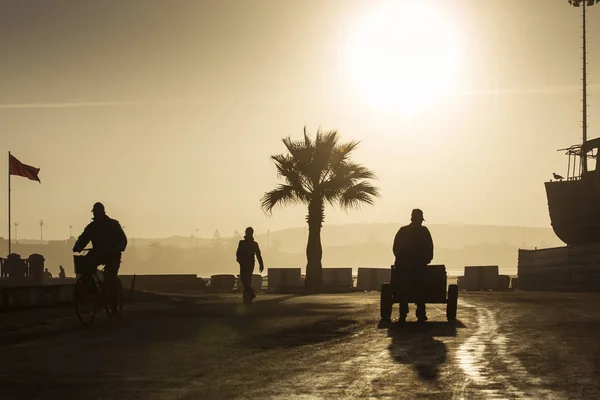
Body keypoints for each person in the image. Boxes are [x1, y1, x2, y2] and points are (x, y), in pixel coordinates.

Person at [73, 202, 127, 313]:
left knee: (110, 279)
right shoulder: (92, 227)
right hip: (99, 254)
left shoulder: (113, 224)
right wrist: (77, 247)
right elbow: (83, 238)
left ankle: (113, 307)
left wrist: (118, 249)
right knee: (85, 267)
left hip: (112, 255)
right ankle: (95, 293)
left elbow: (123, 240)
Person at [392, 208, 433, 322]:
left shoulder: (403, 231)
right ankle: (420, 313)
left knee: (403, 289)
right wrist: (426, 260)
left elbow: (396, 249)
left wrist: (401, 260)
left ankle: (403, 314)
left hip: (403, 267)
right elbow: (429, 249)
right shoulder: (424, 231)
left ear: (411, 218)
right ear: (420, 219)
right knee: (421, 289)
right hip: (418, 267)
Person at [235, 227, 264, 303]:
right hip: (244, 263)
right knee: (244, 279)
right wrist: (239, 260)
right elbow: (238, 253)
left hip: (250, 264)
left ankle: (248, 295)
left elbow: (258, 255)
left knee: (247, 279)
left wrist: (261, 264)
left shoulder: (254, 244)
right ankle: (250, 293)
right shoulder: (242, 242)